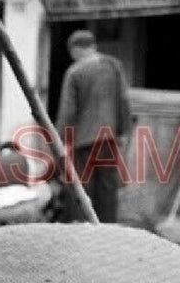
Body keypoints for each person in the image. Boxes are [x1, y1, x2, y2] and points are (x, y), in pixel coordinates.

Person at [55, 28, 133, 224]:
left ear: (75, 50)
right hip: (109, 136)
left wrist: (59, 140)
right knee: (108, 185)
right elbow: (124, 101)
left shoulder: (74, 72)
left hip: (84, 140)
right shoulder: (114, 66)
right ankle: (107, 227)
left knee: (83, 184)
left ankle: (82, 226)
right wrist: (123, 131)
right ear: (94, 47)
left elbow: (67, 110)